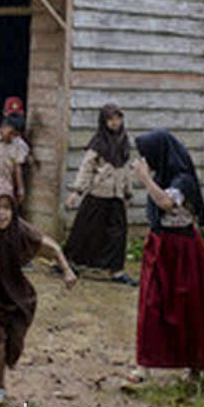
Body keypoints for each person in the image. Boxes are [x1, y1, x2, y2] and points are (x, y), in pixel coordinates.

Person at [0, 185, 77, 403]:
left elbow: (52, 247)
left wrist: (67, 270)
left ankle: (6, 362)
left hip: (16, 293)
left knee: (14, 343)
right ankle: (0, 388)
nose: (1, 214)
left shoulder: (21, 232)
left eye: (6, 208)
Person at [129, 129, 204, 384]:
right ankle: (143, 364)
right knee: (150, 303)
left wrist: (145, 180)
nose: (145, 161)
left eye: (148, 155)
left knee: (188, 304)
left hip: (183, 249)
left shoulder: (183, 180)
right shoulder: (161, 176)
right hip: (159, 245)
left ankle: (195, 366)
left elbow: (167, 203)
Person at [63, 103, 136, 285]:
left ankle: (116, 271)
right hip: (97, 193)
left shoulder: (124, 141)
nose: (115, 122)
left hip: (116, 195)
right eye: (110, 119)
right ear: (103, 121)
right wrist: (76, 192)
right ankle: (68, 263)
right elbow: (86, 169)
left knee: (118, 234)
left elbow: (126, 169)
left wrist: (128, 193)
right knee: (84, 231)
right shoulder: (97, 143)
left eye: (118, 118)